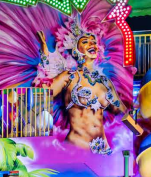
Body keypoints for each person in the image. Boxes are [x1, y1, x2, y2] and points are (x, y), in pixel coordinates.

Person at [36, 20, 139, 155]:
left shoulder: (105, 82)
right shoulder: (69, 77)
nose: (92, 44)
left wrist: (139, 126)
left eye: (94, 42)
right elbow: (42, 95)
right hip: (75, 148)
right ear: (76, 50)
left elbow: (122, 112)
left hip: (103, 151)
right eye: (85, 42)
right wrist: (45, 59)